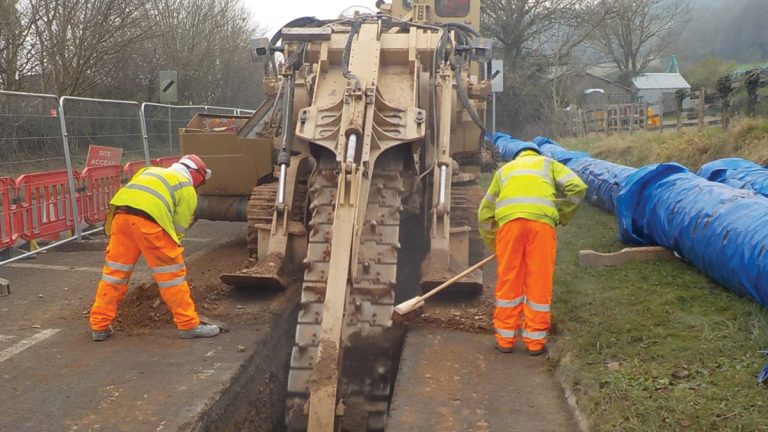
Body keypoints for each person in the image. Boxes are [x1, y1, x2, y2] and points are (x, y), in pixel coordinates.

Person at [89, 155, 221, 341]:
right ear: (196, 174)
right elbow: (178, 228)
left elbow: (136, 195)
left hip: (121, 218)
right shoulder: (186, 188)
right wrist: (170, 251)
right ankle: (188, 324)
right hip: (149, 223)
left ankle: (99, 326)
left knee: (114, 274)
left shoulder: (149, 170)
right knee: (171, 276)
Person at [478, 142, 587, 355]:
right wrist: (562, 215)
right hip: (541, 227)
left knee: (509, 281)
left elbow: (484, 212)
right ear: (537, 153)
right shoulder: (549, 164)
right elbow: (578, 188)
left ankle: (505, 339)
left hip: (510, 228)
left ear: (516, 156)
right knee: (539, 280)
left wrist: (495, 244)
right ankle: (535, 343)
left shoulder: (504, 171)